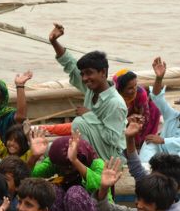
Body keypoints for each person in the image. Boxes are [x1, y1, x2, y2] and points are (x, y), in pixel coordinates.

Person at [48, 23, 127, 160]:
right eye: (83, 74)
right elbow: (71, 65)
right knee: (51, 150)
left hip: (111, 156)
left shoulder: (115, 103)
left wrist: (89, 116)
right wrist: (54, 42)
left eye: (89, 73)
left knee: (79, 123)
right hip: (94, 146)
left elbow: (113, 139)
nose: (84, 78)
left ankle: (87, 162)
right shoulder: (92, 88)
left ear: (103, 72)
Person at [28, 130, 119, 211]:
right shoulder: (56, 163)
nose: (66, 170)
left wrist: (75, 161)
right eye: (63, 167)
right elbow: (30, 176)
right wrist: (34, 157)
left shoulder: (96, 164)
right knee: (53, 190)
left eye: (70, 166)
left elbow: (100, 186)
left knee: (74, 193)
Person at [139, 57, 180, 163]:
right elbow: (157, 97)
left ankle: (174, 176)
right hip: (162, 153)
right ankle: (144, 170)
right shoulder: (171, 115)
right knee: (150, 142)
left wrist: (163, 140)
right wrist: (159, 78)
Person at [113, 69, 161, 149]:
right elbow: (113, 122)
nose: (134, 89)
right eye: (130, 88)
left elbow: (145, 116)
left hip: (136, 122)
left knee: (155, 107)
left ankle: (139, 143)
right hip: (121, 124)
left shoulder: (140, 93)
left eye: (135, 85)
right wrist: (127, 120)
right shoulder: (114, 99)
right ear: (120, 89)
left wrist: (139, 122)